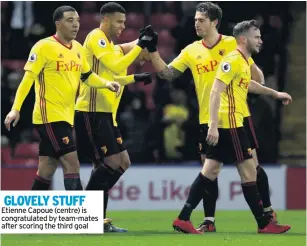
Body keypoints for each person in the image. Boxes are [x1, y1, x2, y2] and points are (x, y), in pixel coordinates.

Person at [147, 2, 278, 233]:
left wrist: (257, 73)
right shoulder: (190, 50)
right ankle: (209, 220)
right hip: (208, 118)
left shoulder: (231, 43)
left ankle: (267, 212)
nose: (196, 23)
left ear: (214, 22)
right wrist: (152, 51)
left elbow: (253, 74)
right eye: (195, 19)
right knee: (210, 170)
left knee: (252, 167)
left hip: (238, 116)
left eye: (201, 20)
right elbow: (167, 73)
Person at [175, 19, 292, 234]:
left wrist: (275, 94)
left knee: (210, 171)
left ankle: (183, 217)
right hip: (230, 124)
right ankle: (264, 223)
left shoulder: (241, 61)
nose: (260, 40)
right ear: (243, 39)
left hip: (227, 123)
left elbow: (248, 84)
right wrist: (212, 126)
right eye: (256, 37)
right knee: (249, 172)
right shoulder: (232, 60)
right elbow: (215, 91)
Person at [4, 6, 120, 191]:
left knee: (46, 170)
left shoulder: (78, 49)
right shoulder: (43, 46)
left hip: (66, 116)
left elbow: (87, 76)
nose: (75, 25)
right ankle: (79, 218)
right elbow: (28, 80)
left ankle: (30, 216)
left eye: (78, 21)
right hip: (49, 116)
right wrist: (15, 108)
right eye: (70, 21)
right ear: (58, 24)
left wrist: (105, 83)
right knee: (72, 165)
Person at [74, 2, 156, 232]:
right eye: (119, 22)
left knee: (122, 163)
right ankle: (88, 216)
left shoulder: (108, 44)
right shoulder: (96, 37)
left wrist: (134, 78)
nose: (123, 26)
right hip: (91, 112)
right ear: (107, 19)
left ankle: (94, 217)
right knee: (108, 163)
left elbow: (112, 77)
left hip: (107, 114)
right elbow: (115, 64)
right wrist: (140, 45)